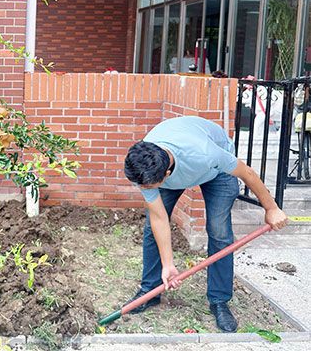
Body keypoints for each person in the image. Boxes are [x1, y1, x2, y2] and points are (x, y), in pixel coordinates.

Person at [123, 116, 288, 333]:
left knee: (219, 231)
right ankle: (150, 291)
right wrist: (168, 264)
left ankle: (219, 300)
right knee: (151, 230)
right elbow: (159, 218)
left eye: (148, 186)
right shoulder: (144, 166)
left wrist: (271, 208)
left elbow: (247, 173)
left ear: (166, 174)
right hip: (178, 164)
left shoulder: (206, 154)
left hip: (216, 172)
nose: (143, 188)